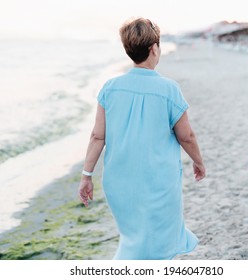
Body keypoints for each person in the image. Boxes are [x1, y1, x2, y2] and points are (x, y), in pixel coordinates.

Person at [78, 17, 206, 259]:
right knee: (158, 247)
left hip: (119, 182)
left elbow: (97, 136)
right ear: (154, 48)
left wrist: (87, 175)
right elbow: (186, 136)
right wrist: (199, 161)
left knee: (134, 241)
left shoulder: (109, 87)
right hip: (158, 182)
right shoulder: (169, 89)